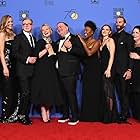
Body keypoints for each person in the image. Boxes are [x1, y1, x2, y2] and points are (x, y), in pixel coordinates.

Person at [31, 24, 63, 123]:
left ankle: (48, 109)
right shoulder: (39, 42)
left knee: (50, 91)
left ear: (51, 31)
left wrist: (52, 50)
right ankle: (43, 111)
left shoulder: (54, 43)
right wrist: (46, 49)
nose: (45, 31)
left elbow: (55, 58)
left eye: (47, 29)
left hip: (51, 70)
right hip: (41, 70)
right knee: (43, 91)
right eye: (43, 30)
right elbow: (37, 56)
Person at [56, 22, 85, 125]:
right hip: (60, 72)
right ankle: (66, 115)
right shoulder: (58, 41)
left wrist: (70, 48)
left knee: (70, 94)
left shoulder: (75, 38)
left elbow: (82, 52)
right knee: (63, 95)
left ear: (67, 28)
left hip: (70, 72)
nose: (59, 29)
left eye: (61, 27)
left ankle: (75, 117)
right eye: (58, 28)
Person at [13, 18, 37, 125]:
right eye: (24, 24)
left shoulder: (34, 38)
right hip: (22, 70)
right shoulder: (18, 38)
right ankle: (22, 115)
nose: (26, 25)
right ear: (22, 26)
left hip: (32, 71)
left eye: (29, 24)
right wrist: (27, 59)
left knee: (28, 94)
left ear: (32, 25)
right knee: (25, 93)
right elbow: (14, 53)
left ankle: (25, 114)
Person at [78, 20, 103, 122]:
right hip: (87, 71)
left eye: (87, 30)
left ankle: (95, 116)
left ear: (92, 32)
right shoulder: (83, 41)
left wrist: (81, 40)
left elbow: (89, 53)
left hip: (95, 71)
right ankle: (86, 116)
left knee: (94, 92)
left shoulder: (97, 42)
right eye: (84, 29)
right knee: (87, 92)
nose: (85, 31)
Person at [112, 16, 134, 122]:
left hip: (124, 70)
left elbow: (131, 55)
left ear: (124, 24)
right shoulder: (113, 36)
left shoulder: (128, 37)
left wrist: (129, 70)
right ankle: (123, 113)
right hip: (114, 71)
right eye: (116, 22)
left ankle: (125, 114)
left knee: (124, 93)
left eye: (120, 22)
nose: (117, 23)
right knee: (119, 93)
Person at [0, 15, 18, 123]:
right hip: (6, 65)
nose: (11, 23)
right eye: (9, 21)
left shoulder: (14, 35)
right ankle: (5, 116)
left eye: (12, 21)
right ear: (4, 22)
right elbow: (1, 52)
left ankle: (12, 115)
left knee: (13, 91)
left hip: (15, 65)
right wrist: (4, 67)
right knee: (7, 91)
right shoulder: (2, 34)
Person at [99, 24, 118, 123]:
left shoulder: (111, 40)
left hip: (108, 69)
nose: (105, 31)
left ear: (110, 32)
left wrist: (109, 69)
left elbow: (112, 56)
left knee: (109, 92)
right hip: (102, 69)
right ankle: (107, 114)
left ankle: (110, 116)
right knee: (105, 91)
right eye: (103, 29)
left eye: (107, 29)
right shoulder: (101, 41)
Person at [129, 26, 140, 121]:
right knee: (134, 93)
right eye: (133, 32)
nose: (134, 34)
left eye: (137, 32)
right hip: (134, 71)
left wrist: (138, 57)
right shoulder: (132, 45)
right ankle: (137, 115)